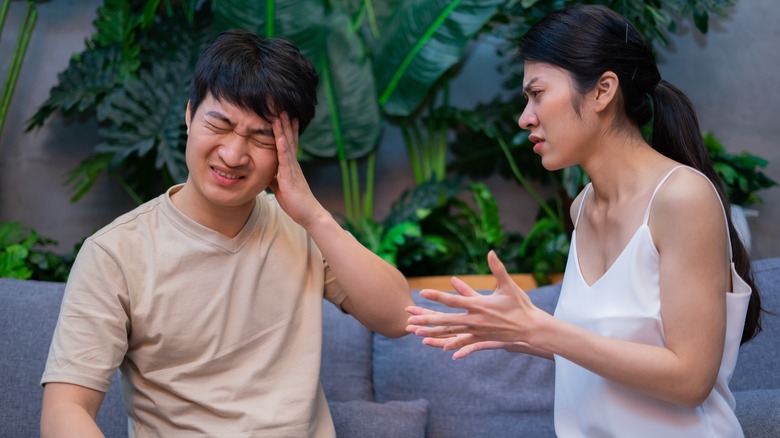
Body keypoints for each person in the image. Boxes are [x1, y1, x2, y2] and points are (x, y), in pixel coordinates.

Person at [405, 5, 763, 437]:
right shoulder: (583, 207)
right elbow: (610, 351)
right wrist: (517, 332)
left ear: (603, 90)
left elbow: (690, 380)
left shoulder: (682, 197)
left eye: (537, 94)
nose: (525, 118)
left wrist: (547, 330)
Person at [40, 29, 413, 437]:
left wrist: (315, 218)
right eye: (219, 125)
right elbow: (66, 408)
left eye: (261, 137)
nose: (233, 155)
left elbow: (399, 318)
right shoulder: (115, 254)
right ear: (188, 115)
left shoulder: (303, 230)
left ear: (289, 148)